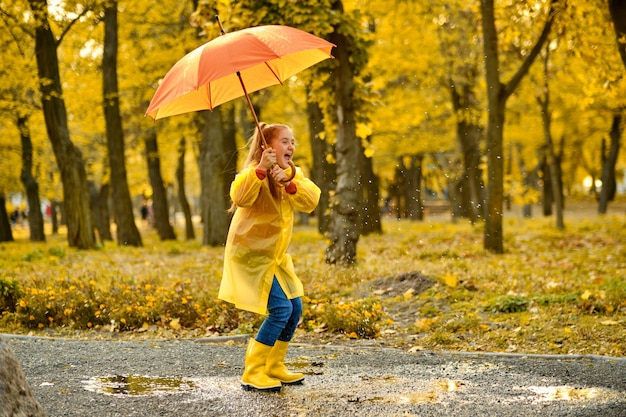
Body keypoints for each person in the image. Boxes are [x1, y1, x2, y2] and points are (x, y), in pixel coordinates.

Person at [219, 123, 321, 392]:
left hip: (275, 257)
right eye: (285, 141)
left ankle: (274, 365)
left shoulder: (290, 173)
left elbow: (311, 201)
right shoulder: (252, 174)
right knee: (281, 310)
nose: (291, 147)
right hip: (251, 255)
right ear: (267, 147)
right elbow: (239, 197)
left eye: (293, 142)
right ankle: (253, 371)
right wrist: (262, 170)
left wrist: (289, 180)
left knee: (295, 307)